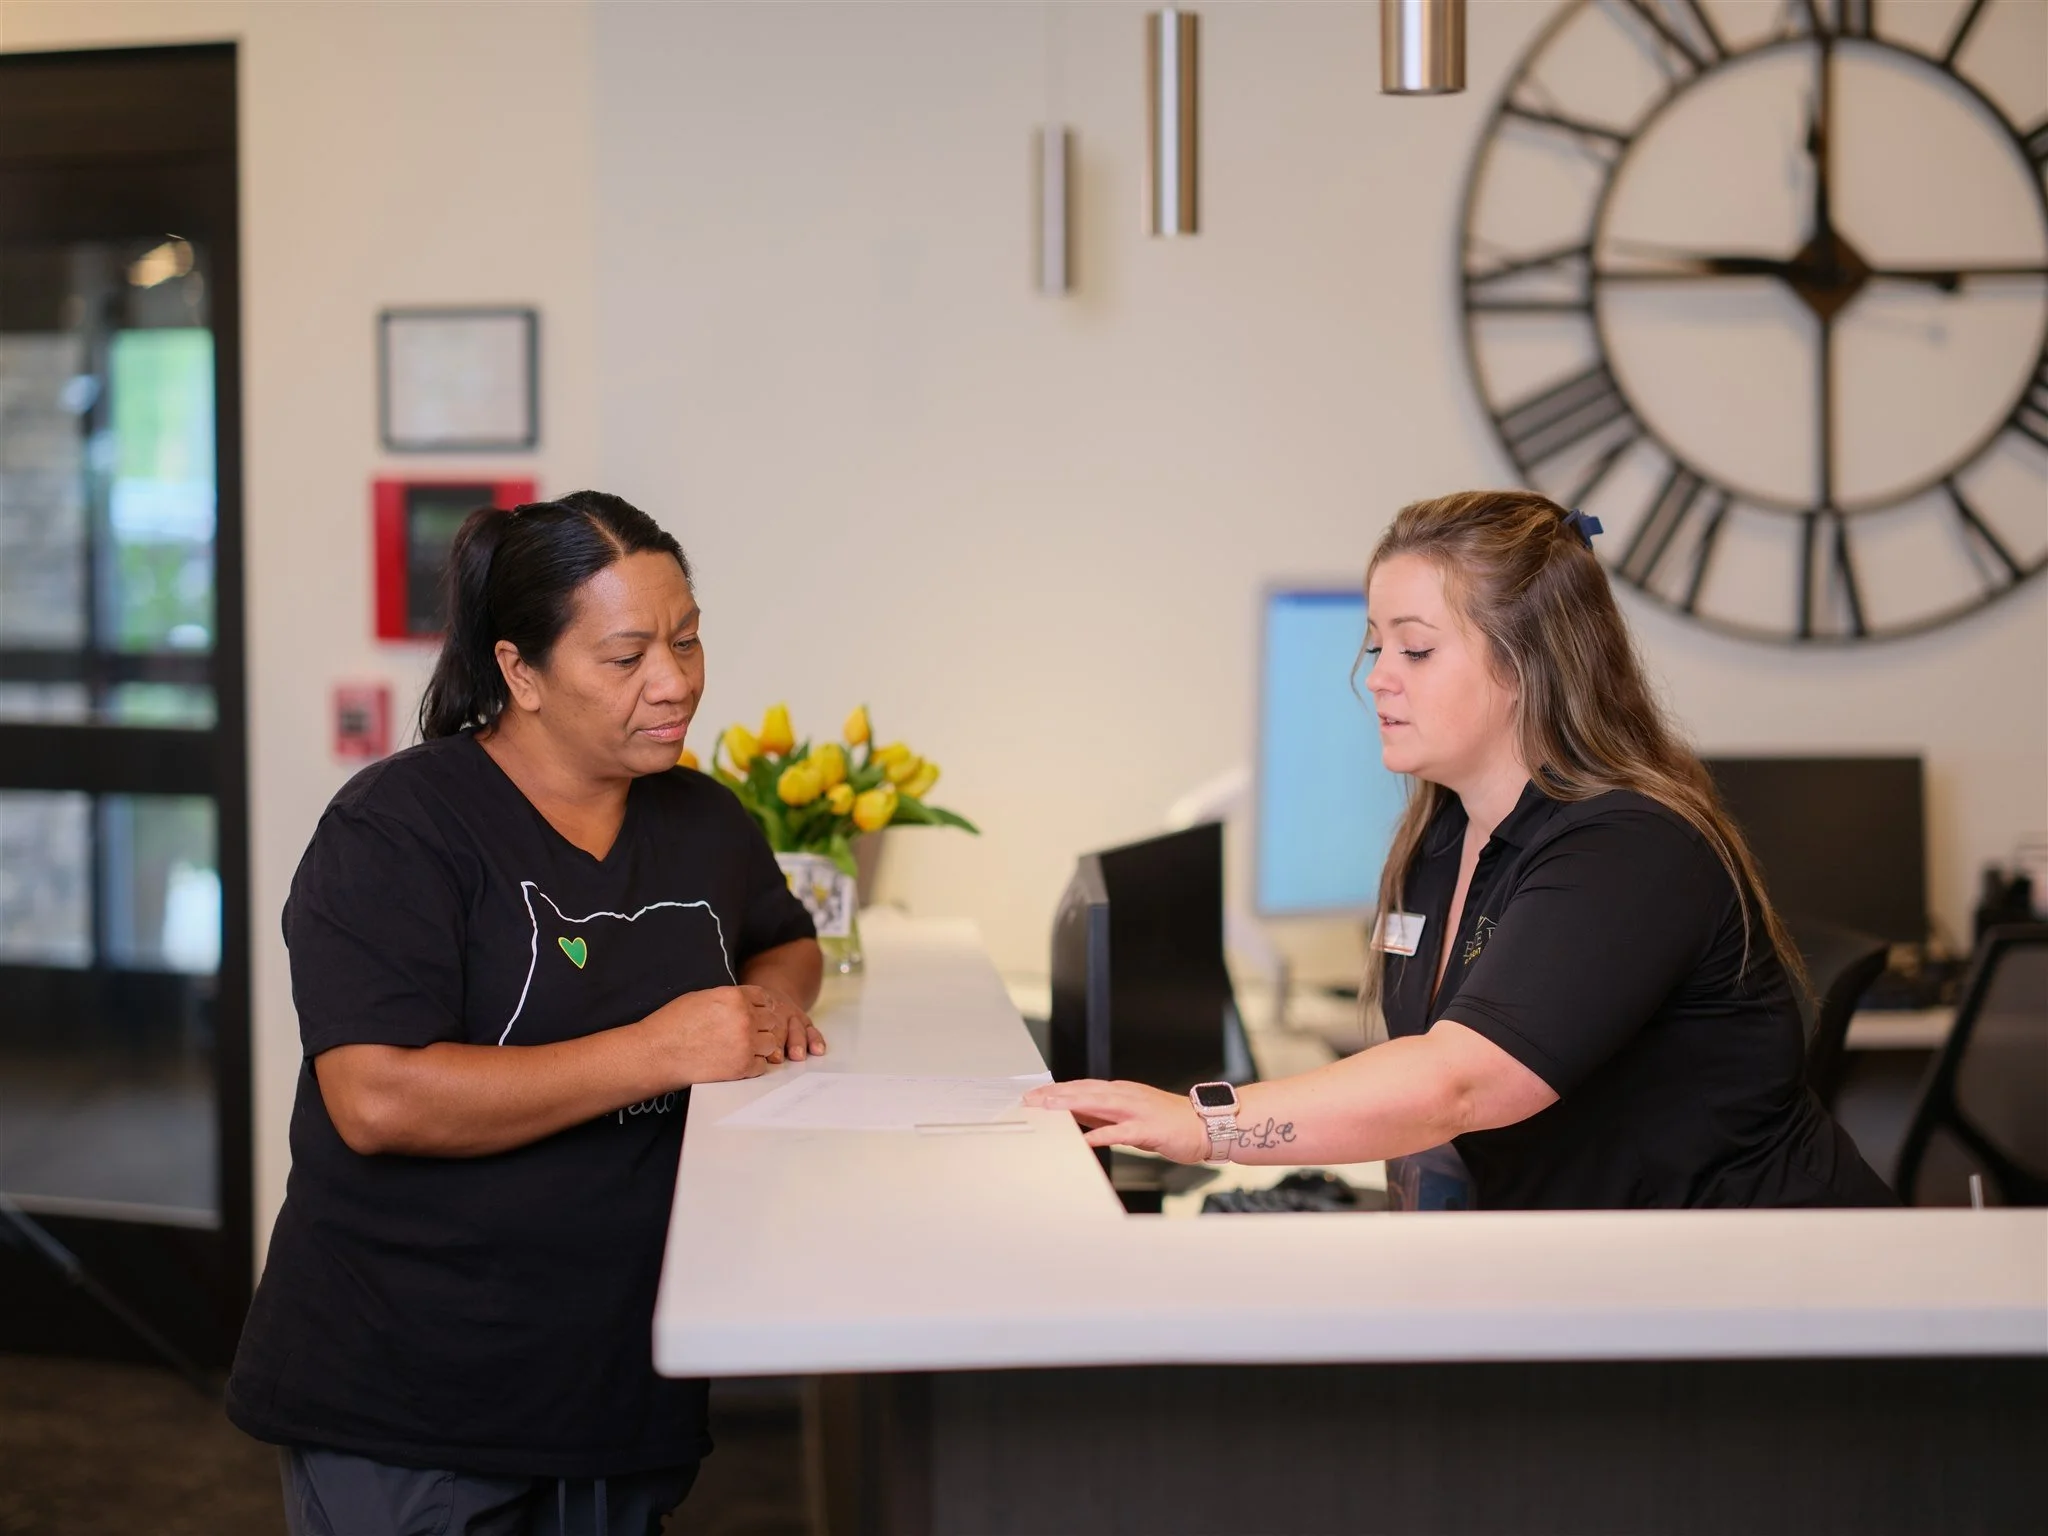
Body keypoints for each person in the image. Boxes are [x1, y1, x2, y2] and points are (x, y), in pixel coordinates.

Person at [227, 491, 827, 1534]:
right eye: (626, 656)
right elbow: (375, 1097)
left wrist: (770, 1000)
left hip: (616, 1383)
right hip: (413, 1392)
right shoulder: (398, 829)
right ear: (519, 671)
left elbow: (785, 936)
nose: (675, 681)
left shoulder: (703, 817)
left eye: (686, 642)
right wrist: (655, 1051)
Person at [1027, 490, 1894, 1209]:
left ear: (1531, 663)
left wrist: (1206, 1122)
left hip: (1768, 1296)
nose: (1377, 675)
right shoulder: (1442, 834)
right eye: (1376, 644)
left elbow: (1457, 1085)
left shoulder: (1630, 848)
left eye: (1416, 648)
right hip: (1601, 1278)